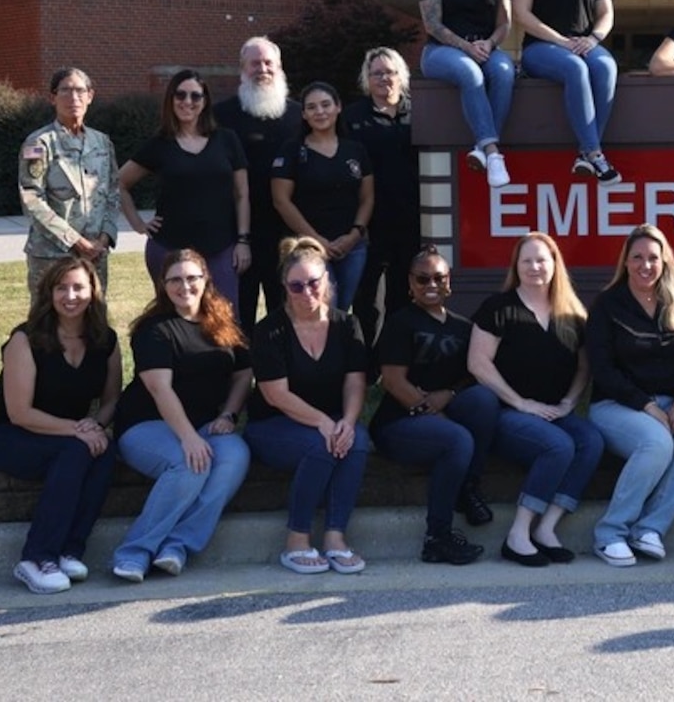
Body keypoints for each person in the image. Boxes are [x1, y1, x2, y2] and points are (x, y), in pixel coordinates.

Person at [0, 256, 122, 594]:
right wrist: (79, 430)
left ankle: (71, 550)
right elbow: (19, 413)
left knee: (104, 451)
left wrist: (96, 426)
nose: (70, 296)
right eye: (61, 288)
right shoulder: (26, 339)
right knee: (76, 451)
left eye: (78, 287)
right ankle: (36, 558)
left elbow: (112, 399)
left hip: (66, 434)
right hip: (7, 435)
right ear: (49, 293)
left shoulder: (106, 341)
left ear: (93, 293)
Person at [112, 249, 253, 582]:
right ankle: (135, 552)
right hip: (146, 425)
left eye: (192, 278)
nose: (184, 286)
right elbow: (161, 389)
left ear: (206, 280)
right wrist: (189, 438)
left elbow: (243, 375)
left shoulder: (224, 323)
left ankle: (178, 544)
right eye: (175, 279)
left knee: (235, 455)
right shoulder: (154, 329)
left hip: (206, 424)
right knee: (189, 464)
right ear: (163, 285)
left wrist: (229, 415)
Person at [467, 232, 604, 566]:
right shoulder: (498, 307)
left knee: (591, 441)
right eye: (526, 260)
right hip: (507, 413)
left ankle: (547, 528)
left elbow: (584, 366)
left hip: (553, 411)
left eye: (542, 259)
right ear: (516, 265)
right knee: (558, 446)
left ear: (555, 265)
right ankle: (518, 534)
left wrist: (570, 402)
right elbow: (478, 363)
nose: (534, 267)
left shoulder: (571, 313)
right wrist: (520, 402)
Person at [584, 225, 674, 567]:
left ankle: (650, 528)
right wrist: (648, 406)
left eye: (653, 258)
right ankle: (609, 533)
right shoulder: (607, 305)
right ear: (625, 262)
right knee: (657, 442)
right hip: (617, 404)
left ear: (665, 261)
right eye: (637, 257)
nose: (646, 265)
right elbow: (603, 369)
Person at [244, 237, 372, 575]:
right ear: (285, 288)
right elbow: (275, 394)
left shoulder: (348, 325)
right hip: (272, 424)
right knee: (322, 448)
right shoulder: (269, 330)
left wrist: (346, 420)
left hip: (328, 419)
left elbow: (355, 381)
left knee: (356, 441)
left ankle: (335, 538)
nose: (307, 293)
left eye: (314, 283)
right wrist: (323, 423)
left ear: (328, 279)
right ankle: (296, 541)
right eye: (296, 286)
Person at [370, 246, 497, 566]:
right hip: (398, 424)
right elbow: (393, 381)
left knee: (483, 400)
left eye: (438, 277)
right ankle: (436, 538)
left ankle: (468, 488)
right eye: (422, 278)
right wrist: (438, 414)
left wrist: (450, 394)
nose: (431, 284)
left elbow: (472, 376)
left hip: (441, 415)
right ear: (410, 284)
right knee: (457, 439)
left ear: (448, 282)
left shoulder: (463, 327)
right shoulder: (400, 323)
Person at [512, 0, 621, 185]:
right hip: (542, 48)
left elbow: (606, 12)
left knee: (607, 68)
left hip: (586, 44)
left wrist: (595, 38)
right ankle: (594, 153)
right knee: (575, 68)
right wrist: (560, 40)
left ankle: (584, 154)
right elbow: (520, 14)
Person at [118, 69, 250, 306]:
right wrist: (137, 223)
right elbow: (119, 183)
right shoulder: (160, 144)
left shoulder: (227, 140)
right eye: (180, 95)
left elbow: (242, 195)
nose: (187, 102)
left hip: (221, 248)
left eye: (195, 96)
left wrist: (243, 241)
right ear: (171, 99)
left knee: (226, 321)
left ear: (205, 101)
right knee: (172, 320)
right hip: (168, 248)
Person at [418, 0, 514, 188]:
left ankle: (480, 147)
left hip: (486, 48)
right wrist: (466, 47)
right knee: (470, 74)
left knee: (505, 72)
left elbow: (505, 24)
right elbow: (432, 24)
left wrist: (489, 43)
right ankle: (494, 153)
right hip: (441, 51)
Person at [214, 36, 304, 328]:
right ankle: (242, 370)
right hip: (237, 231)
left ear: (280, 68)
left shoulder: (298, 115)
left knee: (286, 310)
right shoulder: (220, 115)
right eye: (255, 63)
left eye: (269, 63)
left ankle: (279, 370)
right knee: (239, 312)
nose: (262, 69)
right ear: (242, 69)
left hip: (287, 231)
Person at [271, 81, 374, 310]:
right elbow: (281, 200)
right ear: (304, 114)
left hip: (352, 247)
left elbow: (367, 197)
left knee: (341, 310)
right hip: (307, 248)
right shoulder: (292, 150)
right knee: (320, 307)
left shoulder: (355, 150)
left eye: (326, 105)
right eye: (312, 107)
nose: (320, 112)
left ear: (338, 107)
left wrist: (354, 235)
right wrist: (316, 240)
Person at [18, 68, 119, 294]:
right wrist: (75, 241)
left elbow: (113, 192)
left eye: (80, 90)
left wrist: (105, 237)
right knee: (48, 323)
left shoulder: (102, 142)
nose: (74, 98)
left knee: (94, 320)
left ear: (90, 96)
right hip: (52, 255)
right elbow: (31, 199)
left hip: (96, 253)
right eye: (65, 90)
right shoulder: (38, 144)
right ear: (52, 98)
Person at [343, 47, 418, 344]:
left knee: (402, 294)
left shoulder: (421, 112)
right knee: (368, 298)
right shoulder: (351, 117)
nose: (384, 78)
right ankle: (368, 364)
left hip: (412, 219)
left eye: (390, 72)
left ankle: (395, 359)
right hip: (369, 221)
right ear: (367, 79)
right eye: (377, 73)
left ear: (401, 76)